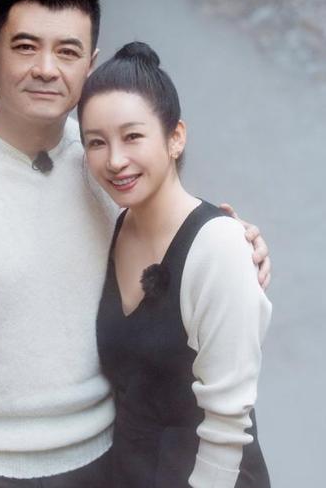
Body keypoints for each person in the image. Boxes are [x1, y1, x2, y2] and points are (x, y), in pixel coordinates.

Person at [0, 0, 270, 488]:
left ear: (89, 66)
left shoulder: (102, 160)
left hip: (104, 461)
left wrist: (235, 240)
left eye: (68, 52)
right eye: (26, 47)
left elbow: (174, 234)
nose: (46, 69)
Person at [77, 41, 272, 488]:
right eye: (96, 143)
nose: (115, 160)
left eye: (133, 136)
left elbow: (228, 426)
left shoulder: (219, 246)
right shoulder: (112, 226)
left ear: (175, 138)